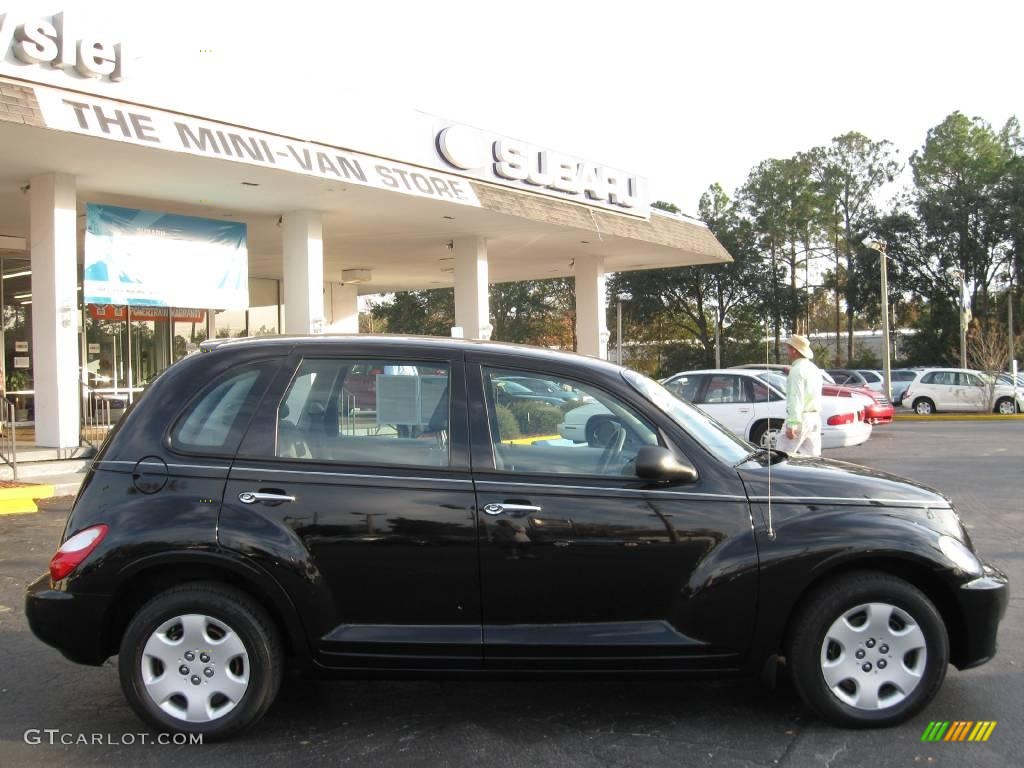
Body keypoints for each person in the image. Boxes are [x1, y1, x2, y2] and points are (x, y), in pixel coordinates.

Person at [776, 334, 823, 457]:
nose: (787, 352)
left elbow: (796, 398)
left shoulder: (797, 371)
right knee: (811, 459)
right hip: (814, 418)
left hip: (800, 419)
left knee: (781, 457)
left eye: (788, 349)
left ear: (794, 350)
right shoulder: (814, 369)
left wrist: (792, 424)